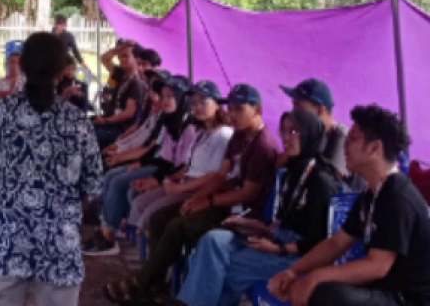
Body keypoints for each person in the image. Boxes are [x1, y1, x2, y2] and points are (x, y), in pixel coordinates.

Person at [105, 84, 281, 306]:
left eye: (239, 109)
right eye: (231, 109)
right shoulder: (239, 136)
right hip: (222, 202)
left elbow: (247, 193)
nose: (233, 114)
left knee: (179, 226)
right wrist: (198, 198)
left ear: (257, 110)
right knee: (161, 218)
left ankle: (141, 284)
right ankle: (155, 285)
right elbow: (220, 175)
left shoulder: (262, 145)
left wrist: (207, 200)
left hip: (244, 214)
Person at [0, 32, 103, 306]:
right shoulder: (78, 122)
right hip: (60, 246)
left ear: (23, 66)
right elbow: (93, 186)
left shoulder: (1, 111)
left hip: (10, 241)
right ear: (62, 70)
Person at [268, 104, 430, 306]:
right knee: (315, 286)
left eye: (352, 139)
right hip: (382, 288)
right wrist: (294, 271)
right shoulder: (370, 194)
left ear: (374, 148)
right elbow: (336, 243)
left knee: (324, 292)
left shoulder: (397, 197)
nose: (345, 145)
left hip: (405, 298)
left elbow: (377, 266)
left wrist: (316, 276)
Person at [179, 108, 341, 306]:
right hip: (274, 235)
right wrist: (251, 224)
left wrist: (278, 248)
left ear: (310, 134)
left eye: (294, 132)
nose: (286, 138)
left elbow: (320, 242)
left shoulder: (321, 181)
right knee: (212, 241)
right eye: (284, 131)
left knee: (221, 267)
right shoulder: (290, 170)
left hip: (296, 253)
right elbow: (281, 219)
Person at [85, 76, 191, 257]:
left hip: (175, 176)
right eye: (162, 95)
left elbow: (180, 165)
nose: (163, 100)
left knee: (119, 181)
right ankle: (106, 226)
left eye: (169, 96)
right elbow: (163, 157)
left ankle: (110, 234)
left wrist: (155, 179)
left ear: (183, 98)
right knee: (112, 175)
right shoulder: (168, 120)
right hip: (161, 168)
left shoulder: (189, 127)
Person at [126, 80, 233, 235]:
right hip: (185, 184)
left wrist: (179, 188)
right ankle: (143, 247)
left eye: (203, 102)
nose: (197, 107)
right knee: (138, 202)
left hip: (199, 191)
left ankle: (154, 252)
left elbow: (213, 176)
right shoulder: (200, 132)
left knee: (153, 214)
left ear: (217, 105)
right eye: (194, 103)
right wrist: (166, 180)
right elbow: (188, 167)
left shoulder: (223, 135)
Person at [280, 78, 348, 178]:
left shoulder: (341, 137)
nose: (294, 112)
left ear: (320, 110)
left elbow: (330, 182)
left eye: (299, 107)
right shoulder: (307, 134)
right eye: (293, 106)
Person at [93, 41, 148, 148]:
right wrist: (118, 49)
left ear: (136, 59)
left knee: (87, 134)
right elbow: (104, 58)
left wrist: (105, 121)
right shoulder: (120, 74)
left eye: (126, 57)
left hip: (120, 128)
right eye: (120, 57)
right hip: (109, 121)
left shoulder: (136, 82)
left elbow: (129, 113)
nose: (121, 59)